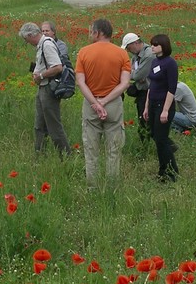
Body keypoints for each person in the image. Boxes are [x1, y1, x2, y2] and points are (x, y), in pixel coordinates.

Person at [75, 19, 132, 187]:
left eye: (91, 31)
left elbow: (80, 82)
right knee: (114, 149)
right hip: (113, 104)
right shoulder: (122, 54)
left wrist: (95, 103)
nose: (89, 34)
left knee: (91, 149)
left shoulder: (84, 53)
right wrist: (106, 101)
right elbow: (125, 83)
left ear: (98, 33)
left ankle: (92, 186)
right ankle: (112, 185)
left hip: (91, 104)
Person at [19, 22, 71, 157]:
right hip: (43, 88)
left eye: (26, 39)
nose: (27, 42)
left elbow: (57, 67)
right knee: (39, 125)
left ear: (31, 35)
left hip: (49, 88)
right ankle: (39, 154)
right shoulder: (41, 45)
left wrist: (41, 75)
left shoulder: (47, 45)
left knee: (54, 126)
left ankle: (65, 156)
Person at [143, 34, 179, 182]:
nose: (152, 47)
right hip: (152, 103)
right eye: (151, 44)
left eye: (155, 45)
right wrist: (146, 107)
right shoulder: (154, 62)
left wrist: (165, 110)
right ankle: (164, 168)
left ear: (163, 46)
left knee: (161, 139)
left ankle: (170, 171)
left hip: (163, 104)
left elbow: (172, 88)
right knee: (155, 136)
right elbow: (151, 86)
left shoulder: (170, 63)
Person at [121, 33, 153, 144]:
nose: (128, 50)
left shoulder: (148, 55)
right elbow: (131, 70)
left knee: (146, 119)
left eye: (128, 47)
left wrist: (135, 75)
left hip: (148, 92)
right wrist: (136, 75)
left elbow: (137, 75)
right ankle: (145, 143)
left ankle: (147, 145)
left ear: (135, 43)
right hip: (141, 90)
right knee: (142, 119)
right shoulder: (137, 54)